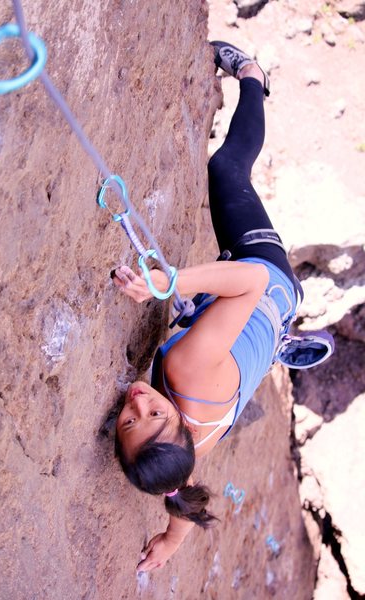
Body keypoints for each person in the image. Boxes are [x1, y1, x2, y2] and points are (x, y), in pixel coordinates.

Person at [112, 42, 333, 573]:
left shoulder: (188, 450)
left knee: (220, 332)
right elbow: (251, 280)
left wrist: (173, 540)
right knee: (228, 169)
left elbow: (181, 491)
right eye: (155, 414)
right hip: (264, 277)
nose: (140, 400)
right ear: (180, 427)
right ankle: (255, 75)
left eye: (129, 421)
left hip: (244, 334)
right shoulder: (186, 375)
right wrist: (168, 283)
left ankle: (275, 340)